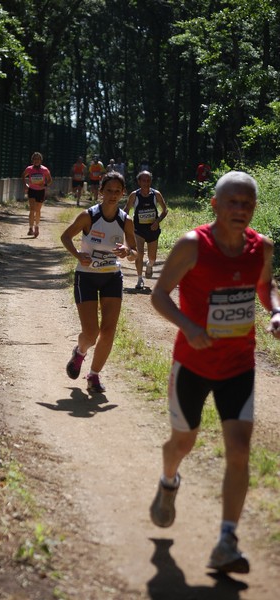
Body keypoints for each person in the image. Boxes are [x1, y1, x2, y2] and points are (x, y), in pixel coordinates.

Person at [149, 171, 280, 574]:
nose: (240, 210)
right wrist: (189, 326)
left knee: (239, 450)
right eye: (232, 203)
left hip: (239, 364)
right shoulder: (193, 245)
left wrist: (276, 309)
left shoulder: (262, 247)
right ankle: (169, 481)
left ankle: (227, 540)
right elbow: (159, 295)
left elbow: (264, 286)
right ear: (216, 206)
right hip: (193, 363)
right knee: (182, 443)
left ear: (254, 208)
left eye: (247, 204)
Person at [61, 172, 137, 394]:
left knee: (109, 330)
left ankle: (93, 375)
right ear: (101, 191)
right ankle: (80, 351)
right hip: (86, 277)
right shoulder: (89, 216)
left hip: (112, 277)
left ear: (123, 194)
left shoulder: (126, 221)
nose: (113, 195)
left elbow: (134, 253)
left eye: (117, 191)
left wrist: (127, 251)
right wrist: (77, 255)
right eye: (109, 191)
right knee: (91, 333)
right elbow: (66, 237)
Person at [124, 170, 168, 289]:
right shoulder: (134, 195)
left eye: (148, 180)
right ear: (139, 182)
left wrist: (157, 221)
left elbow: (165, 210)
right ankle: (139, 279)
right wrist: (125, 223)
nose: (146, 183)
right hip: (138, 229)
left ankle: (150, 265)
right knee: (139, 254)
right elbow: (126, 210)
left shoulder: (156, 194)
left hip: (153, 229)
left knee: (152, 257)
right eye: (144, 180)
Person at [22, 152, 52, 238]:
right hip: (31, 190)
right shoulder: (29, 169)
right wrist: (25, 185)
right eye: (35, 159)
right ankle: (30, 228)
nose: (36, 161)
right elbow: (23, 175)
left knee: (38, 210)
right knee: (32, 209)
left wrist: (45, 185)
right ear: (32, 160)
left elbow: (50, 180)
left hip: (41, 191)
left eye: (38, 159)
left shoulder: (45, 170)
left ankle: (37, 227)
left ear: (41, 160)